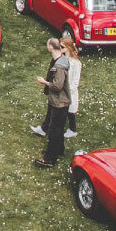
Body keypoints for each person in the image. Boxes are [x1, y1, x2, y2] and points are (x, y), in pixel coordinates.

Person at [32, 37, 72, 168]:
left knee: (54, 130)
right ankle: (58, 150)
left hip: (60, 102)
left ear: (50, 47)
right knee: (58, 128)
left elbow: (57, 86)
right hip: (59, 101)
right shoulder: (60, 59)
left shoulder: (59, 66)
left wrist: (44, 82)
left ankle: (49, 159)